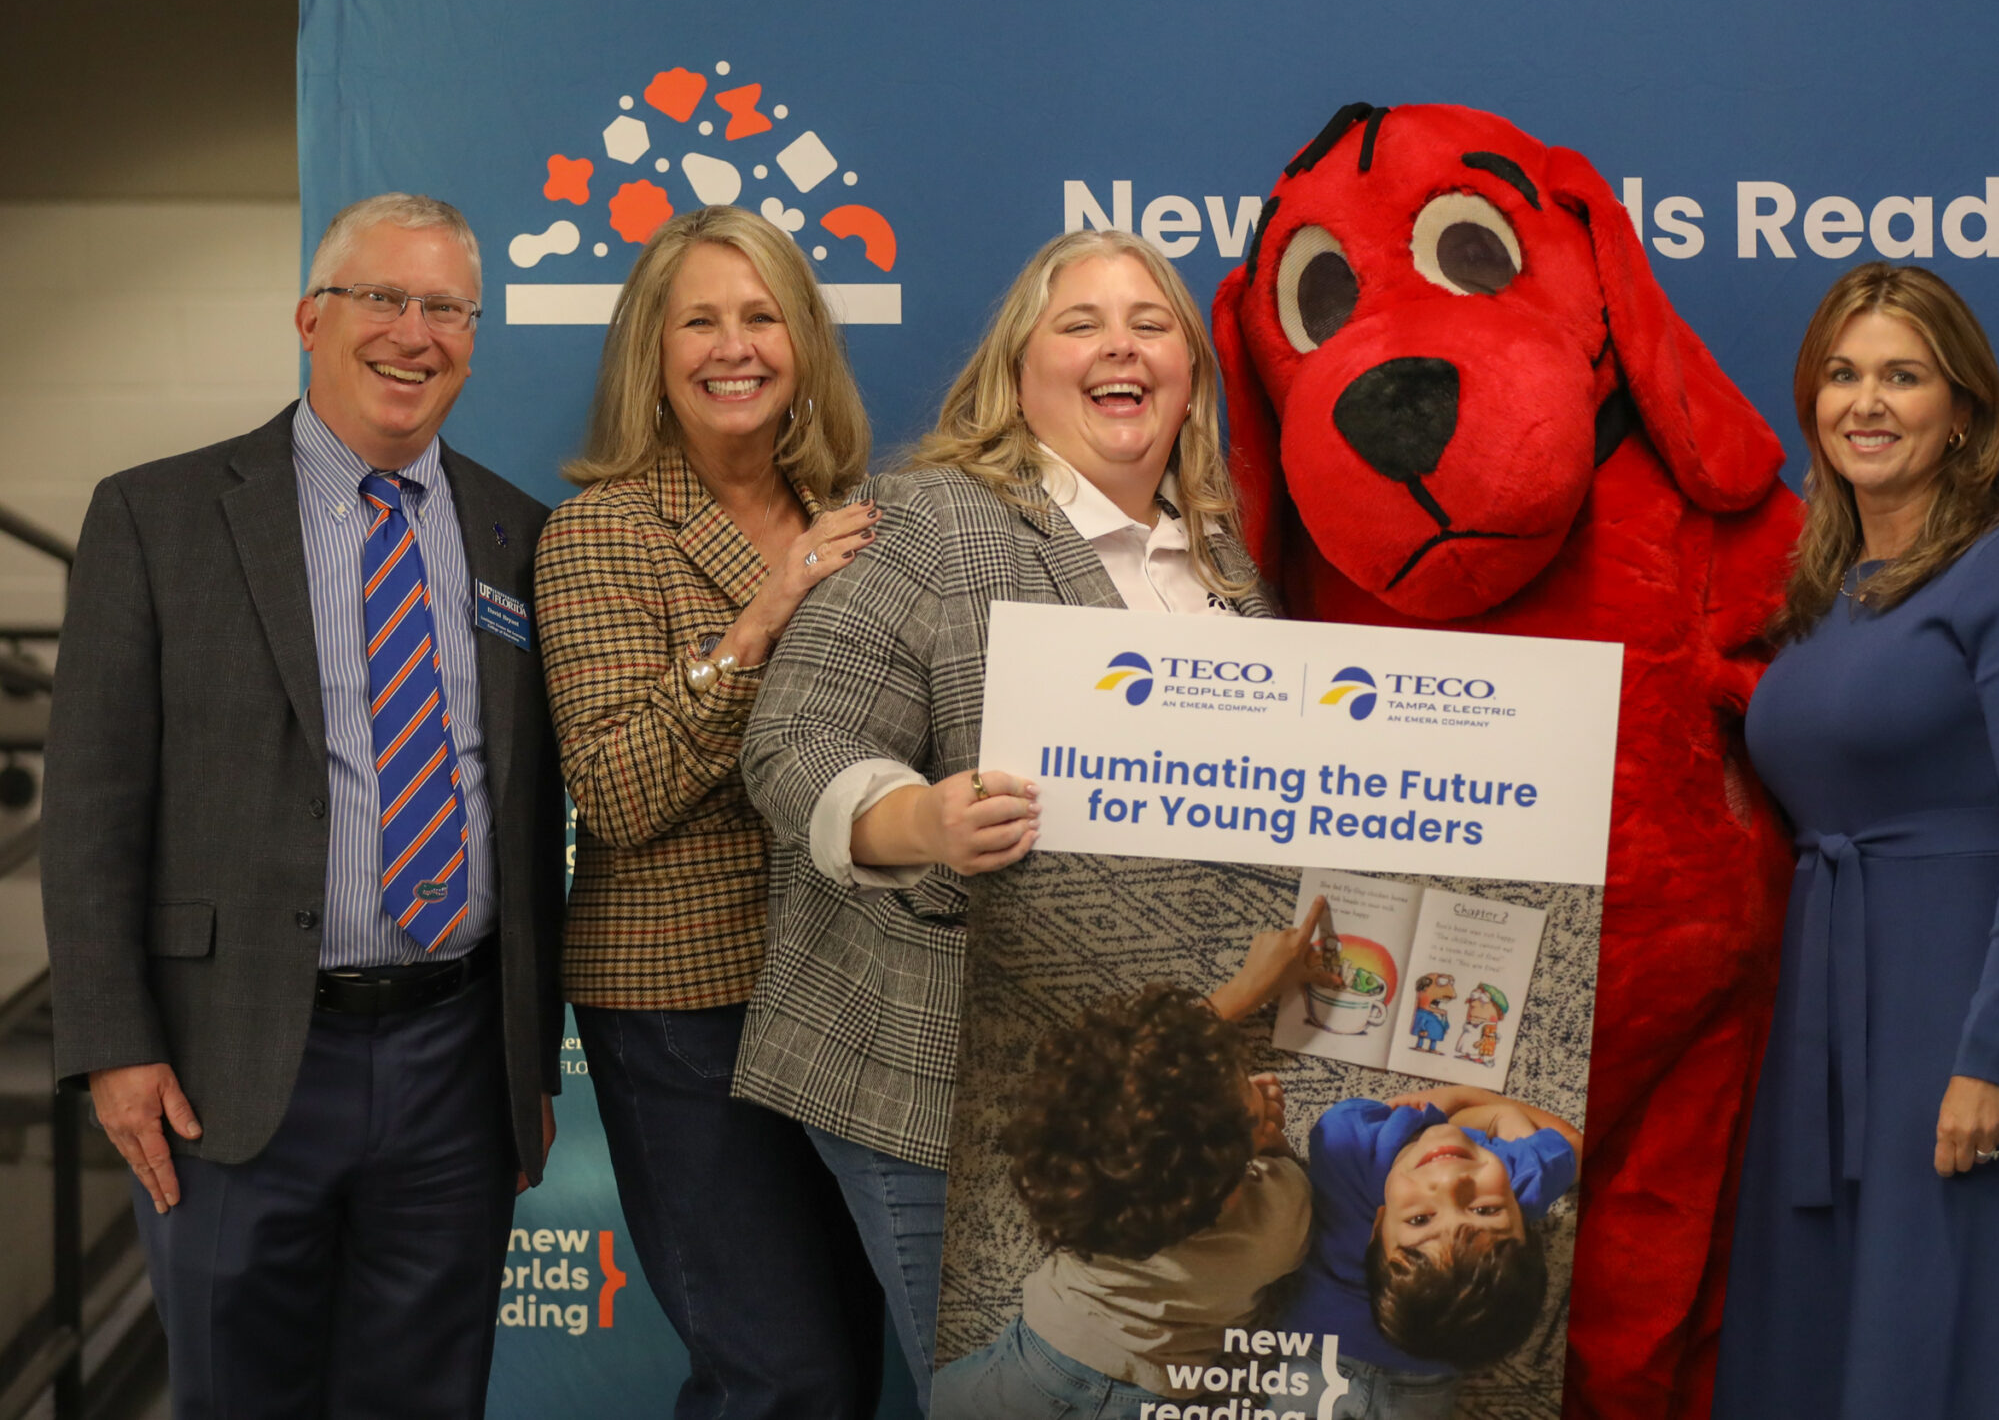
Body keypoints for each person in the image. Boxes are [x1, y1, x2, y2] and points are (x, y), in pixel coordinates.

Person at [42, 194, 563, 1418]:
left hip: (454, 1060)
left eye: (445, 308)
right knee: (239, 1394)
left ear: (474, 338)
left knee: (426, 1397)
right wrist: (116, 1045)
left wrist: (525, 1051)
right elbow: (91, 804)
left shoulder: (516, 534)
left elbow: (530, 808)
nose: (413, 332)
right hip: (231, 1060)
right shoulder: (157, 516)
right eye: (382, 297)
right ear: (310, 318)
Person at [732, 226, 1276, 1398]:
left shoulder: (1228, 571)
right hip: (937, 1085)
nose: (1117, 347)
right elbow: (792, 742)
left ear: (1191, 371)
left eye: (1149, 324)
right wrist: (913, 822)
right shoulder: (930, 519)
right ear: (1015, 370)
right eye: (1079, 323)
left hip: (1139, 1103)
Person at [1712, 263, 1999, 1420]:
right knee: (1832, 1338)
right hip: (1830, 1019)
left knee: (1954, 1340)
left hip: (1960, 1018)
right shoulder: (1819, 588)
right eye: (1842, 375)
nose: (1867, 402)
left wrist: (1986, 1055)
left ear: (1964, 408)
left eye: (1902, 376)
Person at [533, 206, 887, 1418]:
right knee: (779, 1378)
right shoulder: (600, 532)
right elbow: (618, 792)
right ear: (653, 349)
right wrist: (762, 620)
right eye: (700, 320)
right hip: (685, 1010)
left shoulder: (856, 517)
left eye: (760, 315)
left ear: (802, 343)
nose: (732, 346)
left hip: (844, 997)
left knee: (849, 1355)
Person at [933, 908, 1333, 1420]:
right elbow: (1292, 1187)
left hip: (1031, 1364)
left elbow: (1126, 1090)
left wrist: (1242, 992)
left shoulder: (1070, 1172)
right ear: (1234, 1187)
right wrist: (1272, 1145)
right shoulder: (1272, 1220)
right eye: (1252, 1116)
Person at [1283, 1083, 1581, 1381]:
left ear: (1378, 1226)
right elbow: (1574, 1144)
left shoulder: (1345, 1137)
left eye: (1420, 1219)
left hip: (1321, 1347)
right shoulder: (1523, 1179)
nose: (1448, 1182)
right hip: (1423, 1371)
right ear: (1523, 1219)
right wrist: (1491, 1112)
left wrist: (1465, 1100)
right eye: (1484, 1210)